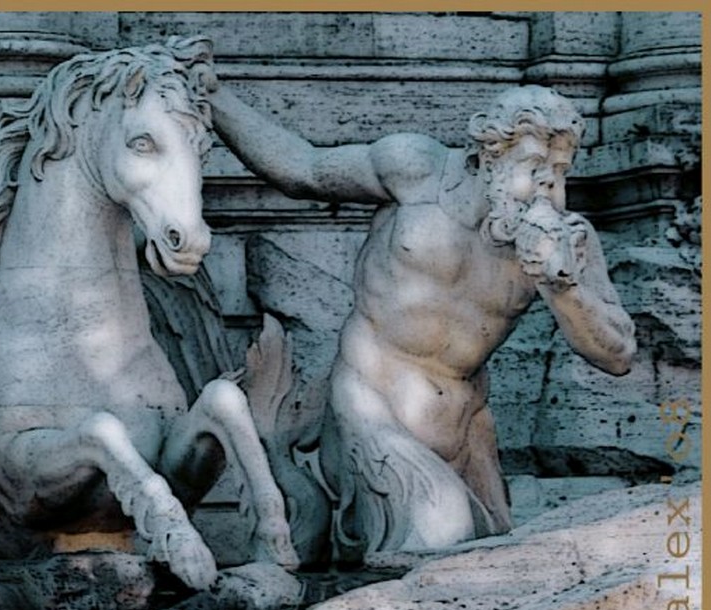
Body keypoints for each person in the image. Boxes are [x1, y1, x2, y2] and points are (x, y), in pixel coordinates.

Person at [208, 81, 637, 556]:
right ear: (486, 158)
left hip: (465, 433)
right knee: (441, 537)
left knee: (477, 572)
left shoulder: (563, 241)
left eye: (559, 172)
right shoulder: (415, 169)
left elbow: (617, 354)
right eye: (534, 167)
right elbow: (303, 169)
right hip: (370, 406)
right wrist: (213, 98)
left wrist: (565, 288)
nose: (548, 188)